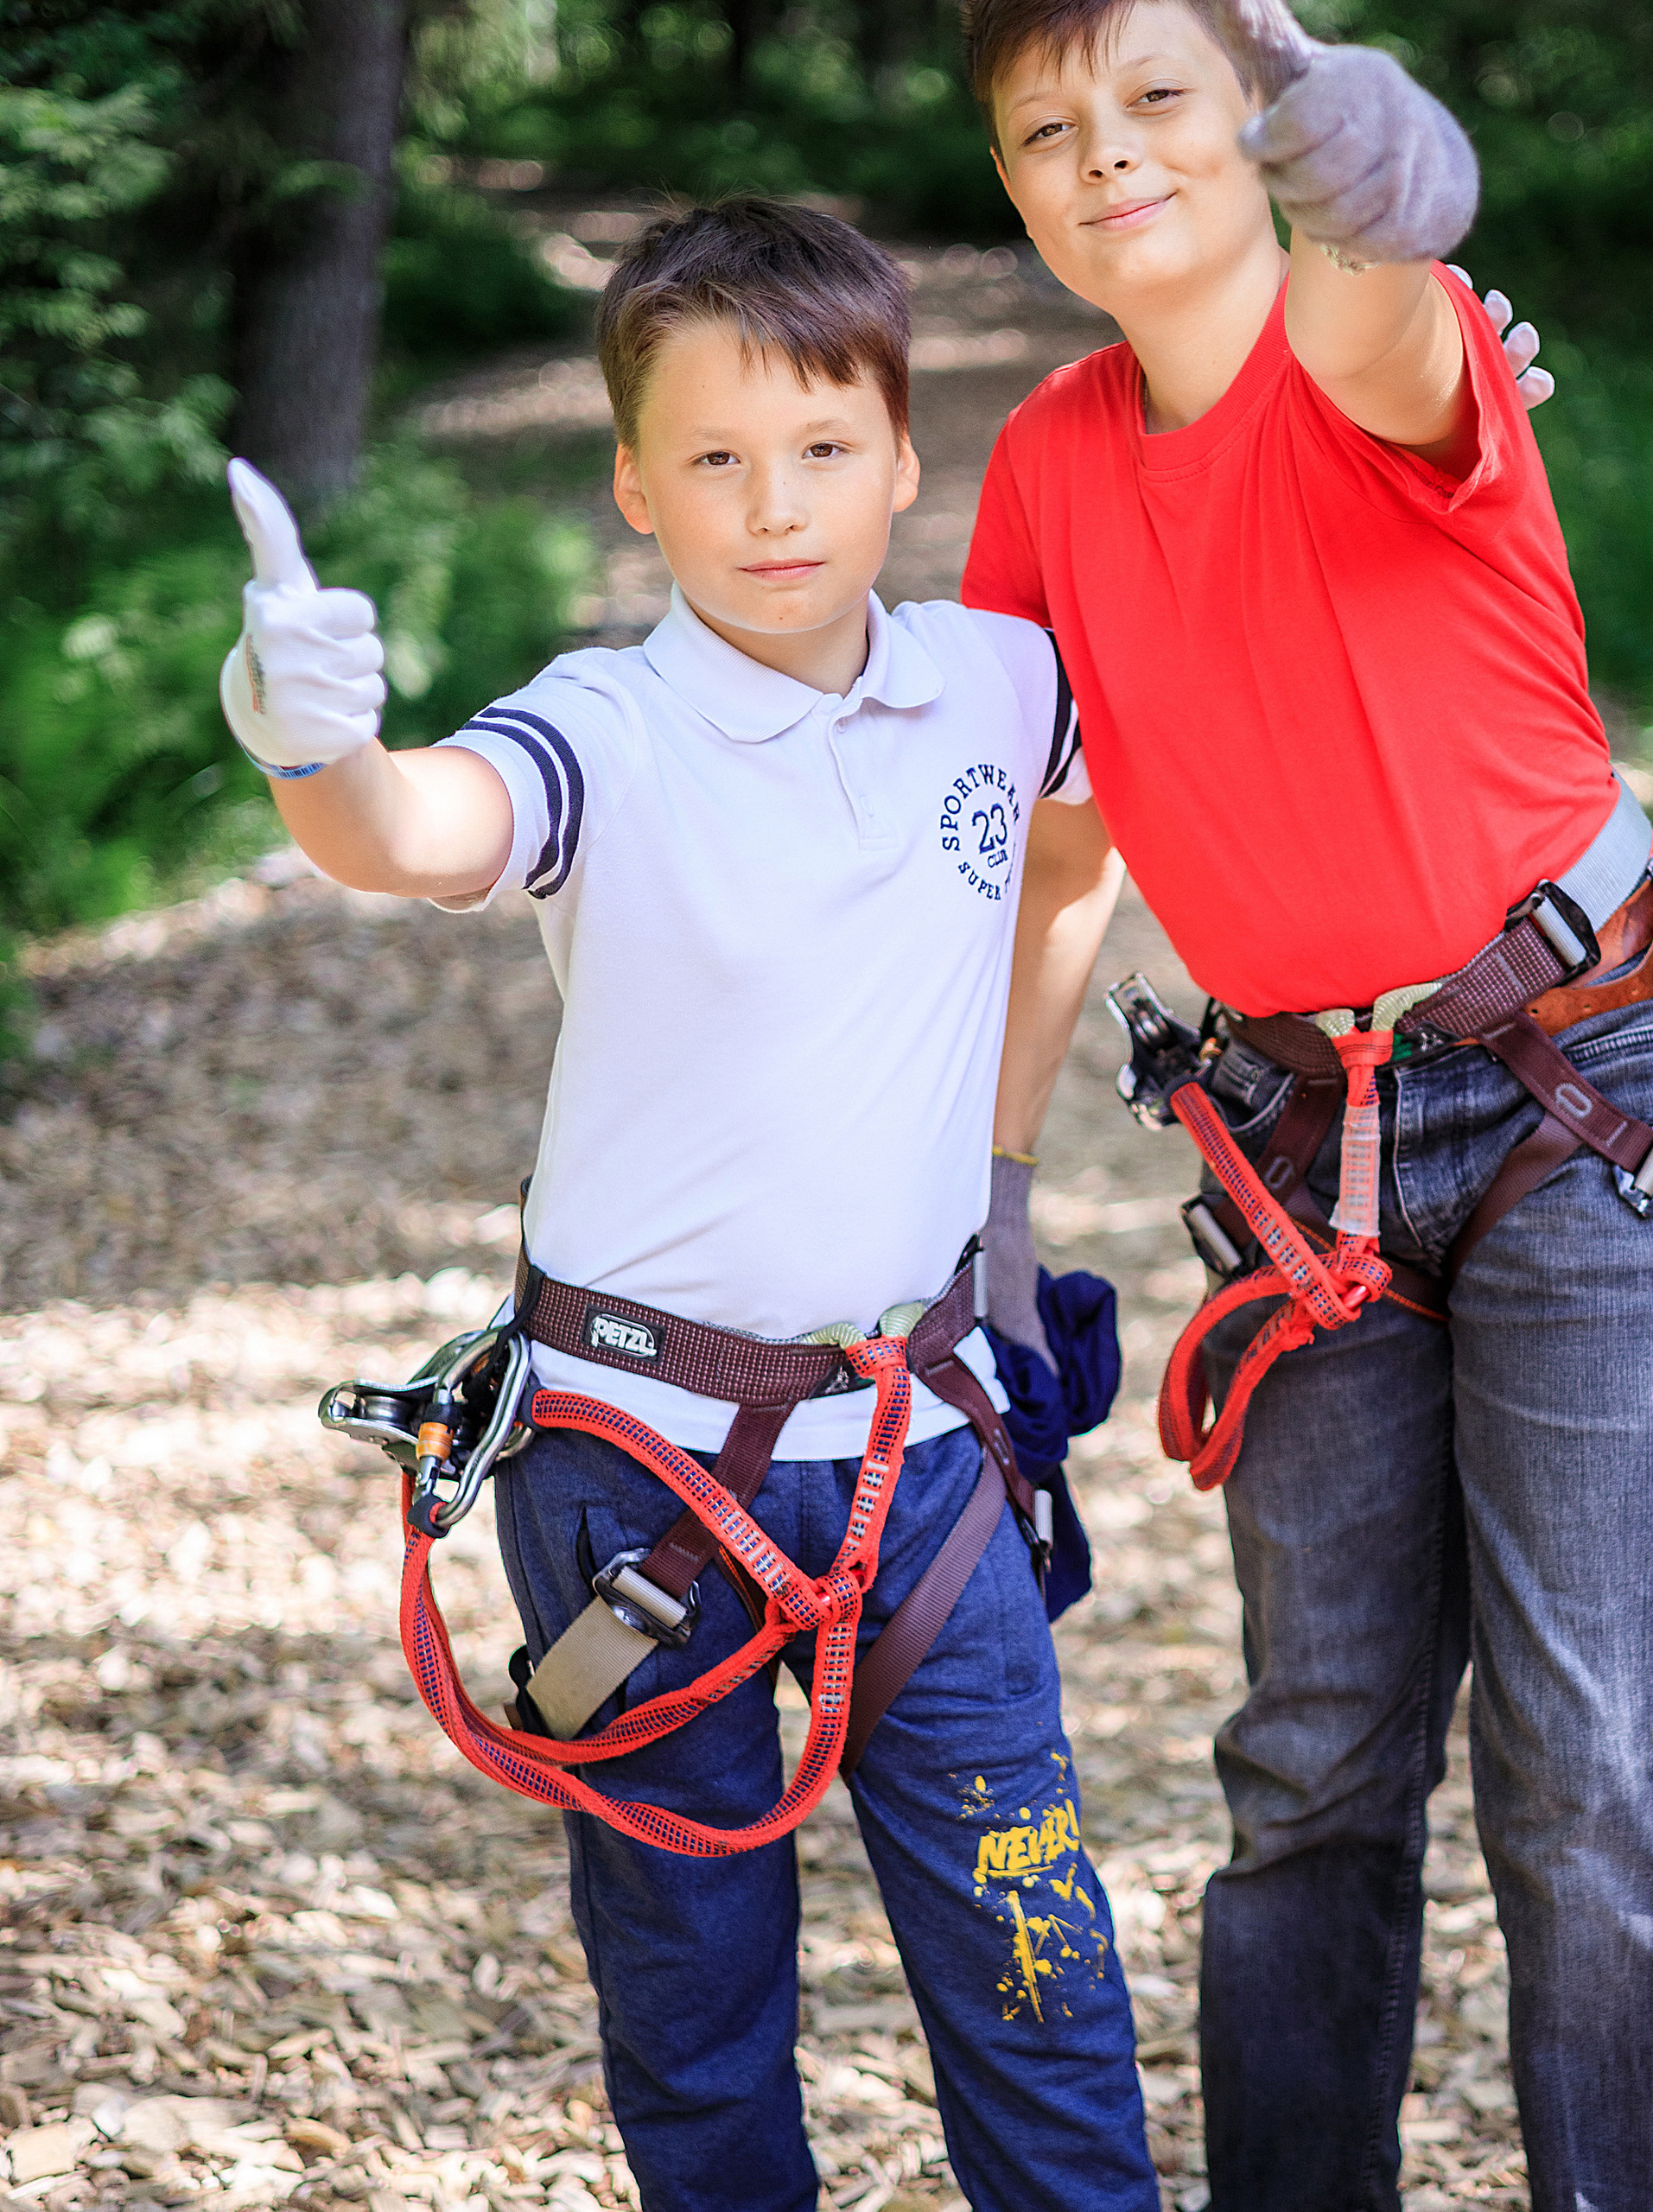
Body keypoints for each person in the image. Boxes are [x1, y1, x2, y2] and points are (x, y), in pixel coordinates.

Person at [216, 198, 1154, 2212]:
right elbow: (419, 831)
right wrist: (315, 744)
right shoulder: (604, 729)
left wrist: (996, 1173)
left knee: (1039, 1987)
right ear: (636, 485)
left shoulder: (1003, 684)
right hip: (635, 1481)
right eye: (714, 458)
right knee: (697, 2020)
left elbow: (1083, 852)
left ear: (905, 456)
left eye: (823, 447)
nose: (774, 503)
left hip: (929, 1458)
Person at [962, 3, 1653, 2207]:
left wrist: (1364, 165)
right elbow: (1055, 854)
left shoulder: (1382, 346)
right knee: (1308, 1761)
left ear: (1251, 126)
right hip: (1298, 1149)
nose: (1106, 157)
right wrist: (992, 1188)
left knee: (1593, 1758)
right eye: (1047, 131)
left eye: (1156, 102)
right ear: (1012, 193)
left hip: (1573, 1085)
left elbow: (1378, 282)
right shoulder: (1043, 457)